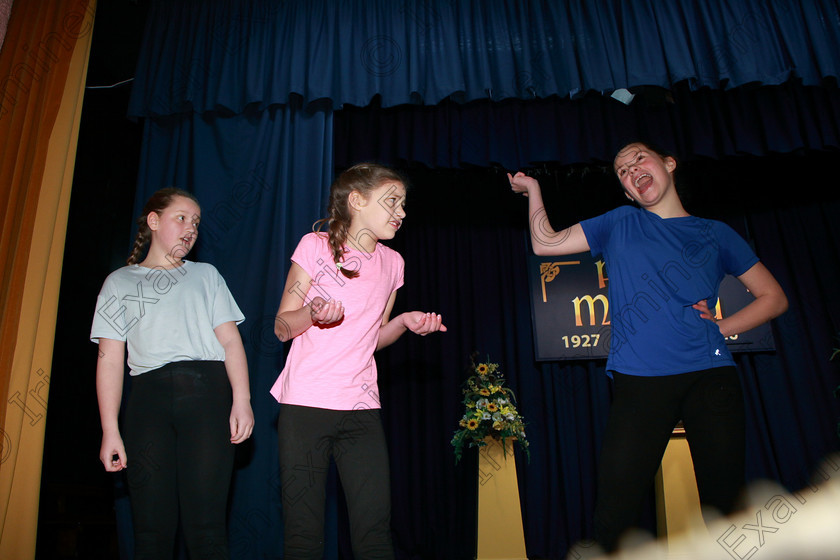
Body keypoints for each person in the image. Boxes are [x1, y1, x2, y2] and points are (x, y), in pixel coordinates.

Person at [509, 141, 788, 552]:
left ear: (668, 164)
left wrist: (724, 326)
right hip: (639, 380)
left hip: (710, 376)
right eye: (622, 171)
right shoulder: (619, 221)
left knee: (724, 504)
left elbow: (774, 297)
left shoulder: (715, 232)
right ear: (627, 192)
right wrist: (533, 190)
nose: (631, 169)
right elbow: (544, 244)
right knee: (615, 506)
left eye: (639, 158)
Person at [271, 163, 446, 559]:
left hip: (361, 409)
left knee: (374, 532)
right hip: (305, 405)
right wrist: (312, 313)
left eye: (403, 204)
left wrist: (403, 322)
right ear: (357, 201)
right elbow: (282, 326)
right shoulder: (314, 247)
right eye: (391, 202)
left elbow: (372, 339)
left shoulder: (393, 263)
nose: (401, 212)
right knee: (303, 534)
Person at [91, 187, 254, 559]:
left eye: (196, 222)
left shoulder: (206, 275)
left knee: (208, 528)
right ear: (153, 221)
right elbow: (110, 360)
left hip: (208, 400)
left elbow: (231, 343)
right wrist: (110, 430)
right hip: (147, 405)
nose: (191, 228)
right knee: (150, 530)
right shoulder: (119, 282)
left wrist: (242, 400)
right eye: (181, 218)